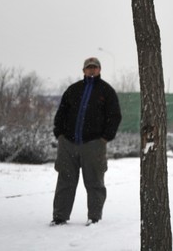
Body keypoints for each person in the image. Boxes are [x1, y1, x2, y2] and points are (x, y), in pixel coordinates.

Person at [51, 56, 122, 226]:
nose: (91, 70)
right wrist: (59, 134)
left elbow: (114, 116)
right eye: (88, 67)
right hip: (68, 143)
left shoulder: (106, 91)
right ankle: (60, 216)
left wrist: (104, 138)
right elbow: (61, 113)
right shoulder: (73, 90)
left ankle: (94, 217)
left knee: (94, 182)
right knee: (65, 182)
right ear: (83, 70)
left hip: (93, 144)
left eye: (95, 67)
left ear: (99, 70)